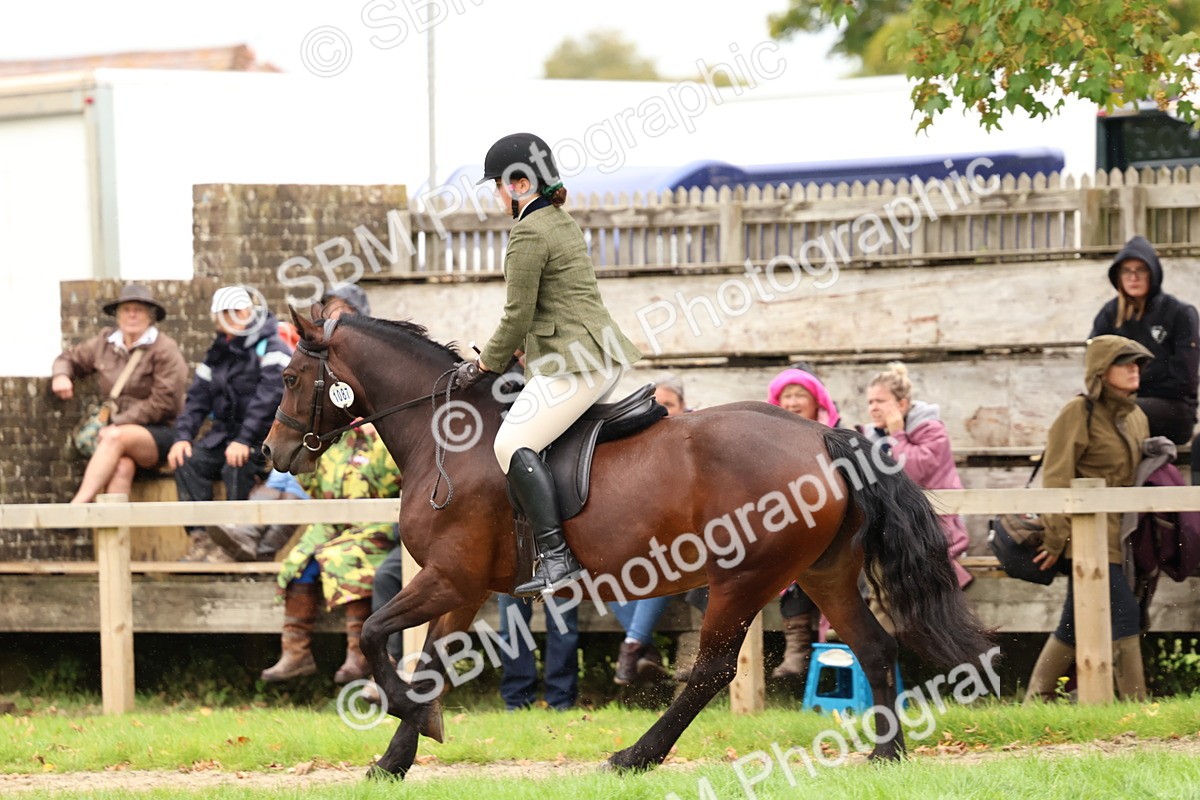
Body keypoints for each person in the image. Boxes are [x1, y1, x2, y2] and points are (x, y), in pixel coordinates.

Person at [452, 132, 642, 596]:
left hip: (576, 363)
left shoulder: (528, 233)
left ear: (517, 184)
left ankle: (557, 558)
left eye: (497, 184)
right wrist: (523, 352)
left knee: (510, 443)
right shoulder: (558, 220)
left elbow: (517, 314)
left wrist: (485, 366)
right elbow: (554, 305)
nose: (496, 194)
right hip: (596, 351)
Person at [1025, 335, 1154, 702]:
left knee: (1073, 622)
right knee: (1125, 613)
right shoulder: (1077, 413)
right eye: (1124, 361)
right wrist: (1055, 538)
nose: (1134, 369)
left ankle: (1036, 701)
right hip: (1081, 537)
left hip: (1119, 536)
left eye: (1138, 363)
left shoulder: (1137, 416)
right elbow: (1056, 476)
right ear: (1101, 370)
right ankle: (1138, 710)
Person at [206, 284, 371, 563]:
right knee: (286, 472)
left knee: (298, 475)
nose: (336, 315)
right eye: (330, 309)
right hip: (327, 434)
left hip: (361, 442)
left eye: (344, 310)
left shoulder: (368, 352)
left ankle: (255, 545)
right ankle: (251, 540)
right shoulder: (323, 352)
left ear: (360, 314)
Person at [261, 422, 402, 684]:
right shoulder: (333, 439)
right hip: (331, 525)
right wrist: (303, 453)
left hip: (374, 526)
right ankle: (295, 653)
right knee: (297, 562)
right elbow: (313, 486)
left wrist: (381, 433)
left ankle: (359, 654)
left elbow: (399, 477)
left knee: (343, 559)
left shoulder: (385, 436)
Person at [168, 286, 290, 562]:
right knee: (188, 461)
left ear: (249, 311)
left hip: (264, 440)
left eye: (237, 311)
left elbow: (270, 396)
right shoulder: (218, 352)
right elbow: (197, 398)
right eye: (225, 312)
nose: (231, 317)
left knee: (236, 465)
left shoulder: (272, 346)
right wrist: (183, 437)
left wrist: (245, 440)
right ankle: (201, 539)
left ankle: (233, 543)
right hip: (224, 437)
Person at [859, 362, 973, 631]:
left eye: (881, 401)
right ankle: (871, 645)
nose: (873, 407)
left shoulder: (933, 430)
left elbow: (912, 471)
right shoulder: (870, 436)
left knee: (889, 576)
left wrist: (897, 434)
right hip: (895, 530)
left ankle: (875, 647)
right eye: (870, 401)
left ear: (901, 404)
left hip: (936, 527)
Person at [51, 283, 188, 503]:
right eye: (126, 309)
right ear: (117, 315)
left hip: (161, 433)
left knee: (115, 437)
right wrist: (61, 375)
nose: (132, 314)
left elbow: (164, 403)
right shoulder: (105, 343)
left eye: (139, 309)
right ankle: (114, 532)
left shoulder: (164, 349)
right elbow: (69, 358)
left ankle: (78, 506)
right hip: (118, 434)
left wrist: (119, 422)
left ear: (150, 316)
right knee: (121, 467)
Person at [1088, 235, 1200, 481]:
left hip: (1174, 411)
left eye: (1141, 269)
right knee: (1081, 412)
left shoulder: (1180, 313)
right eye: (1126, 270)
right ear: (1117, 275)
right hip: (1120, 406)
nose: (1133, 277)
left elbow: (1184, 381)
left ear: (1154, 273)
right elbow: (1095, 367)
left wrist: (1130, 381)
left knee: (1115, 412)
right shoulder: (1109, 314)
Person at [607, 374, 691, 686]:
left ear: (684, 407)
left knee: (664, 559)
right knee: (605, 571)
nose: (663, 412)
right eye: (656, 406)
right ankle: (644, 650)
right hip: (643, 543)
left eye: (669, 405)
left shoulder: (695, 444)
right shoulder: (640, 446)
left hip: (689, 547)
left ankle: (632, 649)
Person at [765, 366, 842, 680]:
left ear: (817, 401)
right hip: (785, 527)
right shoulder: (763, 439)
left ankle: (837, 640)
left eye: (801, 395)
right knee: (789, 562)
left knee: (826, 559)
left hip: (834, 524)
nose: (793, 402)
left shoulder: (836, 435)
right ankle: (796, 649)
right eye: (787, 396)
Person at [495, 594, 579, 710]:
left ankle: (561, 699)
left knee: (562, 626)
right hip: (512, 575)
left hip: (559, 576)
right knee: (512, 626)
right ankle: (517, 700)